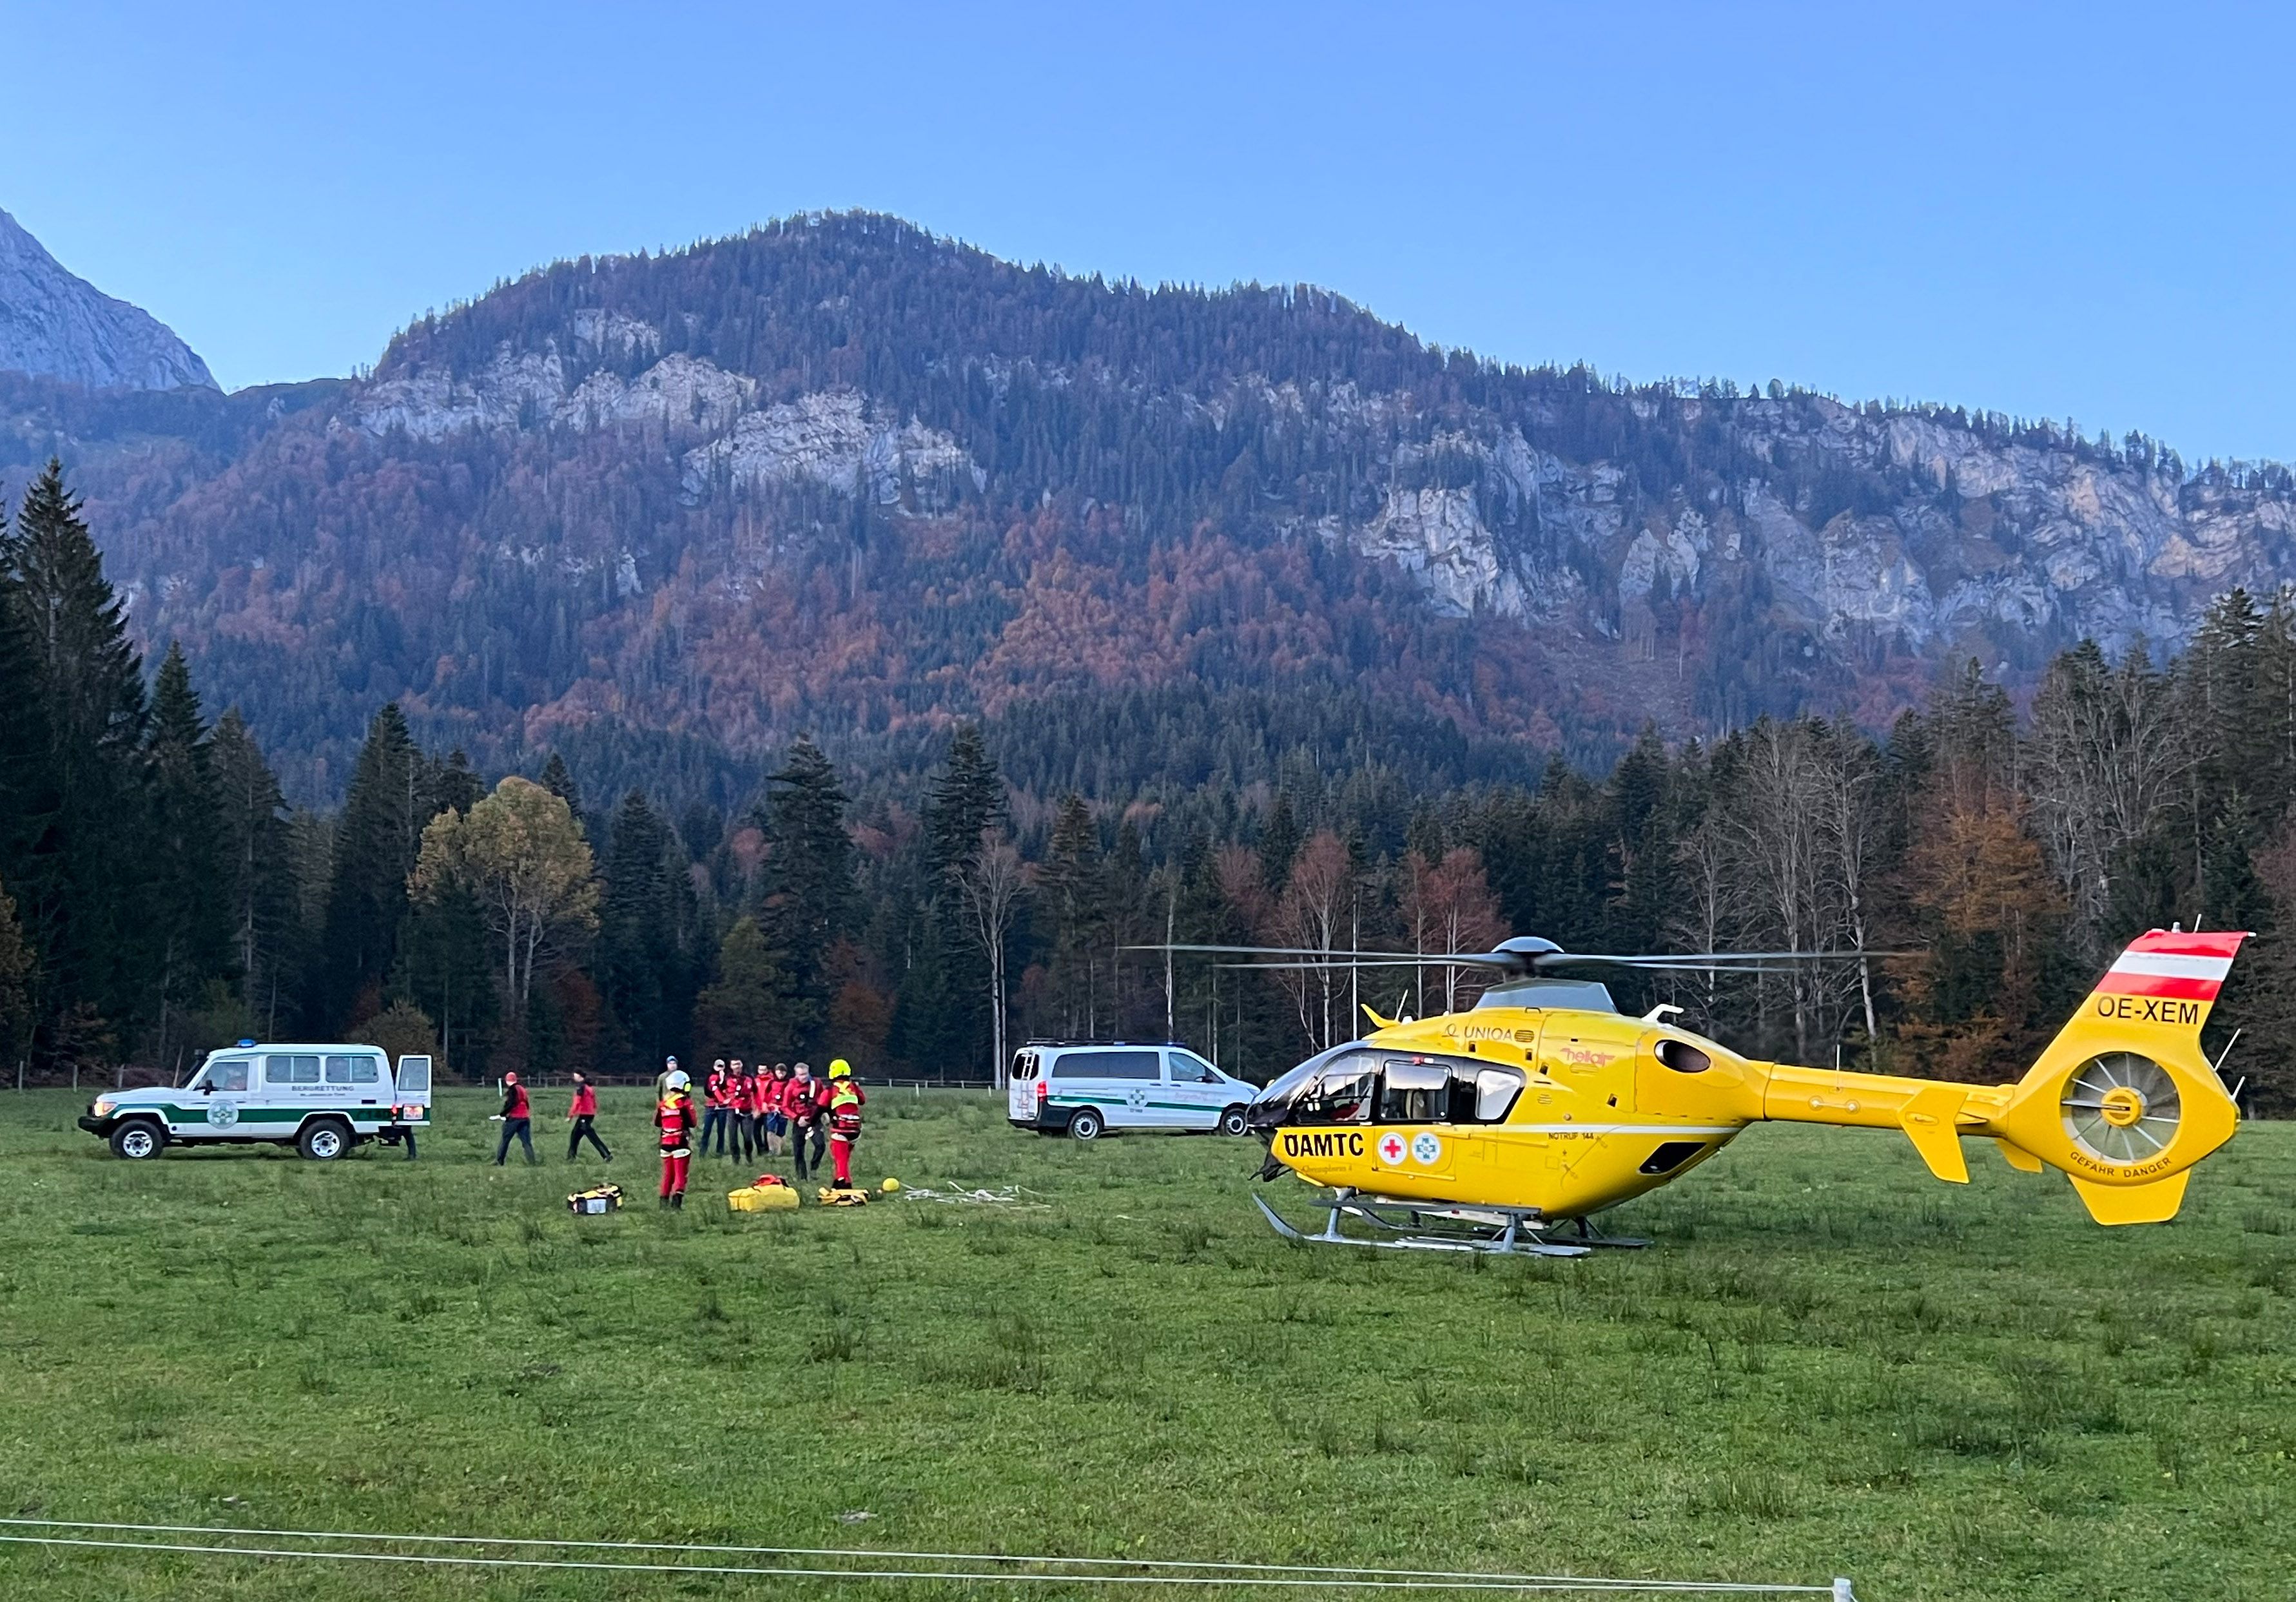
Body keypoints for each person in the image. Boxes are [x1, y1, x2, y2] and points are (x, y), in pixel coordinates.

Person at [656, 1068, 699, 1209]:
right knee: (680, 1175)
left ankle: (663, 1204)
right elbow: (693, 1122)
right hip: (680, 1142)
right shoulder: (685, 1103)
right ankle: (676, 1204)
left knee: (667, 1175)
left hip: (665, 1143)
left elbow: (657, 1122)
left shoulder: (663, 1103)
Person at [826, 1058, 866, 1187]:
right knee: (845, 1158)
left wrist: (810, 1122)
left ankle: (843, 1183)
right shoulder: (853, 1087)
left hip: (840, 1129)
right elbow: (862, 1100)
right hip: (855, 1130)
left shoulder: (831, 1089)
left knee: (840, 1158)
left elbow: (821, 1105)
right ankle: (839, 1180)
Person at [785, 1061, 826, 1181]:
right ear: (796, 1075)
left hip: (814, 1120)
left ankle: (814, 1168)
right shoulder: (791, 1086)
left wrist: (824, 1112)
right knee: (798, 1150)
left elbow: (823, 1098)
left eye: (805, 1074)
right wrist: (797, 1118)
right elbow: (785, 1106)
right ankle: (801, 1176)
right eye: (801, 1075)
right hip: (799, 1121)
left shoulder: (816, 1083)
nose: (803, 1077)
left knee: (820, 1145)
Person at [566, 1071, 612, 1163]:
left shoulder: (581, 1087)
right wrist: (594, 1110)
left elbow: (577, 1102)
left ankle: (606, 1154)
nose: (574, 1077)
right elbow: (594, 1101)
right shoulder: (589, 1087)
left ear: (580, 1077)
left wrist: (571, 1115)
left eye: (575, 1076)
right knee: (575, 1135)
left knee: (591, 1136)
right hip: (589, 1114)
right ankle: (571, 1157)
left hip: (584, 1114)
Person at [493, 1071, 537, 1166]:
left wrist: (502, 1114)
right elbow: (527, 1104)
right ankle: (532, 1162)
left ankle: (499, 1161)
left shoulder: (512, 1090)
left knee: (505, 1140)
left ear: (507, 1081)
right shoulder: (522, 1089)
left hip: (514, 1118)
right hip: (525, 1118)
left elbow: (511, 1104)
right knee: (527, 1142)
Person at [699, 1059, 731, 1158]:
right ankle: (702, 1152)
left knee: (721, 1131)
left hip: (722, 1108)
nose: (720, 1069)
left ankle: (720, 1152)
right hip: (711, 1106)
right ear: (714, 1067)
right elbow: (714, 1090)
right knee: (707, 1130)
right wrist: (723, 1100)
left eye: (721, 1067)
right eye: (718, 1066)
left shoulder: (727, 1077)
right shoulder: (713, 1077)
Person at [730, 1059, 757, 1163]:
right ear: (731, 1066)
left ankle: (748, 1155)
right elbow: (717, 1091)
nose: (737, 1067)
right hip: (732, 1110)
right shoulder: (727, 1078)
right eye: (734, 1064)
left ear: (742, 1065)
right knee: (733, 1137)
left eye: (738, 1064)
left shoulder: (749, 1079)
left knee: (748, 1137)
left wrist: (756, 1108)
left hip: (747, 1110)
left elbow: (756, 1093)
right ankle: (735, 1159)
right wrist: (723, 1100)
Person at [764, 1062, 793, 1155]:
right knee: (770, 1130)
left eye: (783, 1072)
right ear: (775, 1072)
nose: (781, 1074)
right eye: (779, 1072)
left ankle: (780, 1150)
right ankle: (771, 1149)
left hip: (784, 1110)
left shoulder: (789, 1083)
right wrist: (769, 1105)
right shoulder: (772, 1083)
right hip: (773, 1109)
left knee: (782, 1131)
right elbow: (767, 1096)